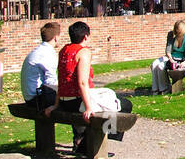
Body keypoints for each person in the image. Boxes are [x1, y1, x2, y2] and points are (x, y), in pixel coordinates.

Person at [47, 21, 132, 151]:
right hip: (77, 101)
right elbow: (82, 82)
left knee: (111, 102)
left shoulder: (63, 51)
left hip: (65, 100)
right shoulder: (83, 52)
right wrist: (88, 107)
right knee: (124, 105)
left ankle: (85, 141)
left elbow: (62, 79)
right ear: (86, 36)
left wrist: (56, 104)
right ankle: (92, 143)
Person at [20, 22, 62, 111]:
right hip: (36, 100)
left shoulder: (38, 50)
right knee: (72, 100)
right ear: (56, 38)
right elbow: (51, 82)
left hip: (29, 97)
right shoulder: (48, 53)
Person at [151, 20, 185, 95]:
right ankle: (155, 89)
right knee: (154, 64)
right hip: (171, 57)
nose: (178, 34)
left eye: (179, 33)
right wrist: (171, 59)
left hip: (181, 59)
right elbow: (168, 50)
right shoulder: (171, 35)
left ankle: (164, 88)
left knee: (160, 66)